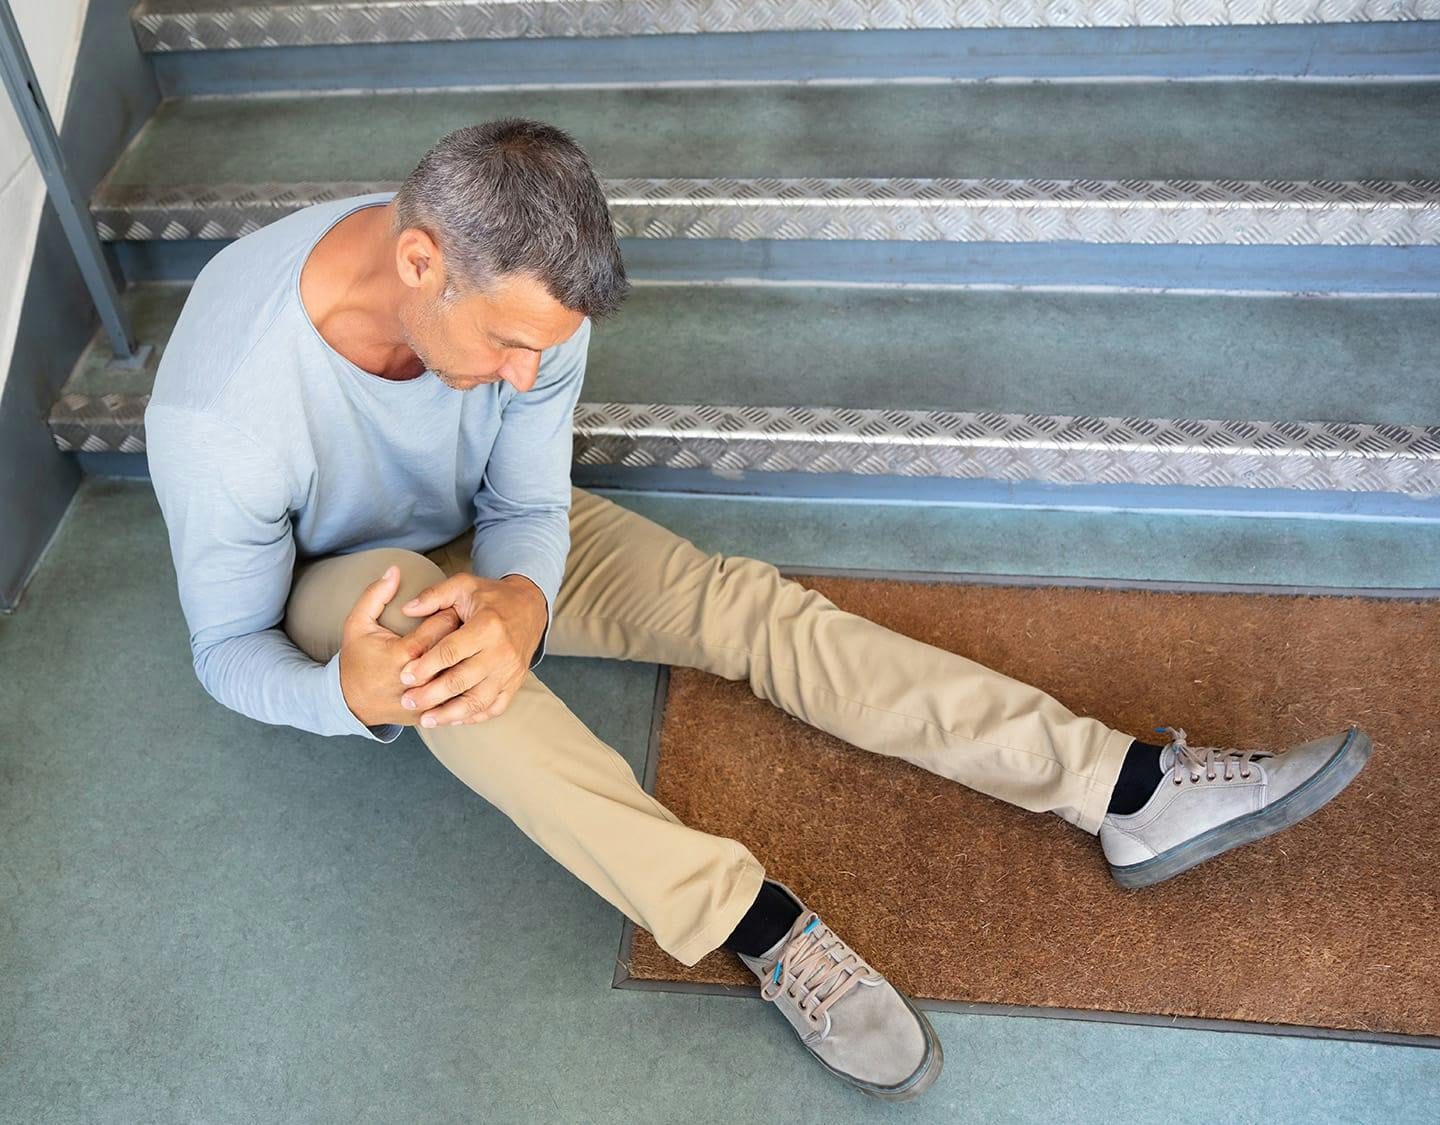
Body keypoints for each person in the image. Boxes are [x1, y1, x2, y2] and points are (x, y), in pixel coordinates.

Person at [144, 118, 1372, 1104]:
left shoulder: (533, 310)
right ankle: (755, 921)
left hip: (475, 538)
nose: (530, 373)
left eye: (547, 352)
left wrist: (523, 592)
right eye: (512, 346)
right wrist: (343, 696)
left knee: (742, 610)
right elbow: (222, 650)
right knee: (447, 674)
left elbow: (524, 497)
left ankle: (1127, 790)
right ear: (421, 262)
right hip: (343, 591)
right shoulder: (226, 415)